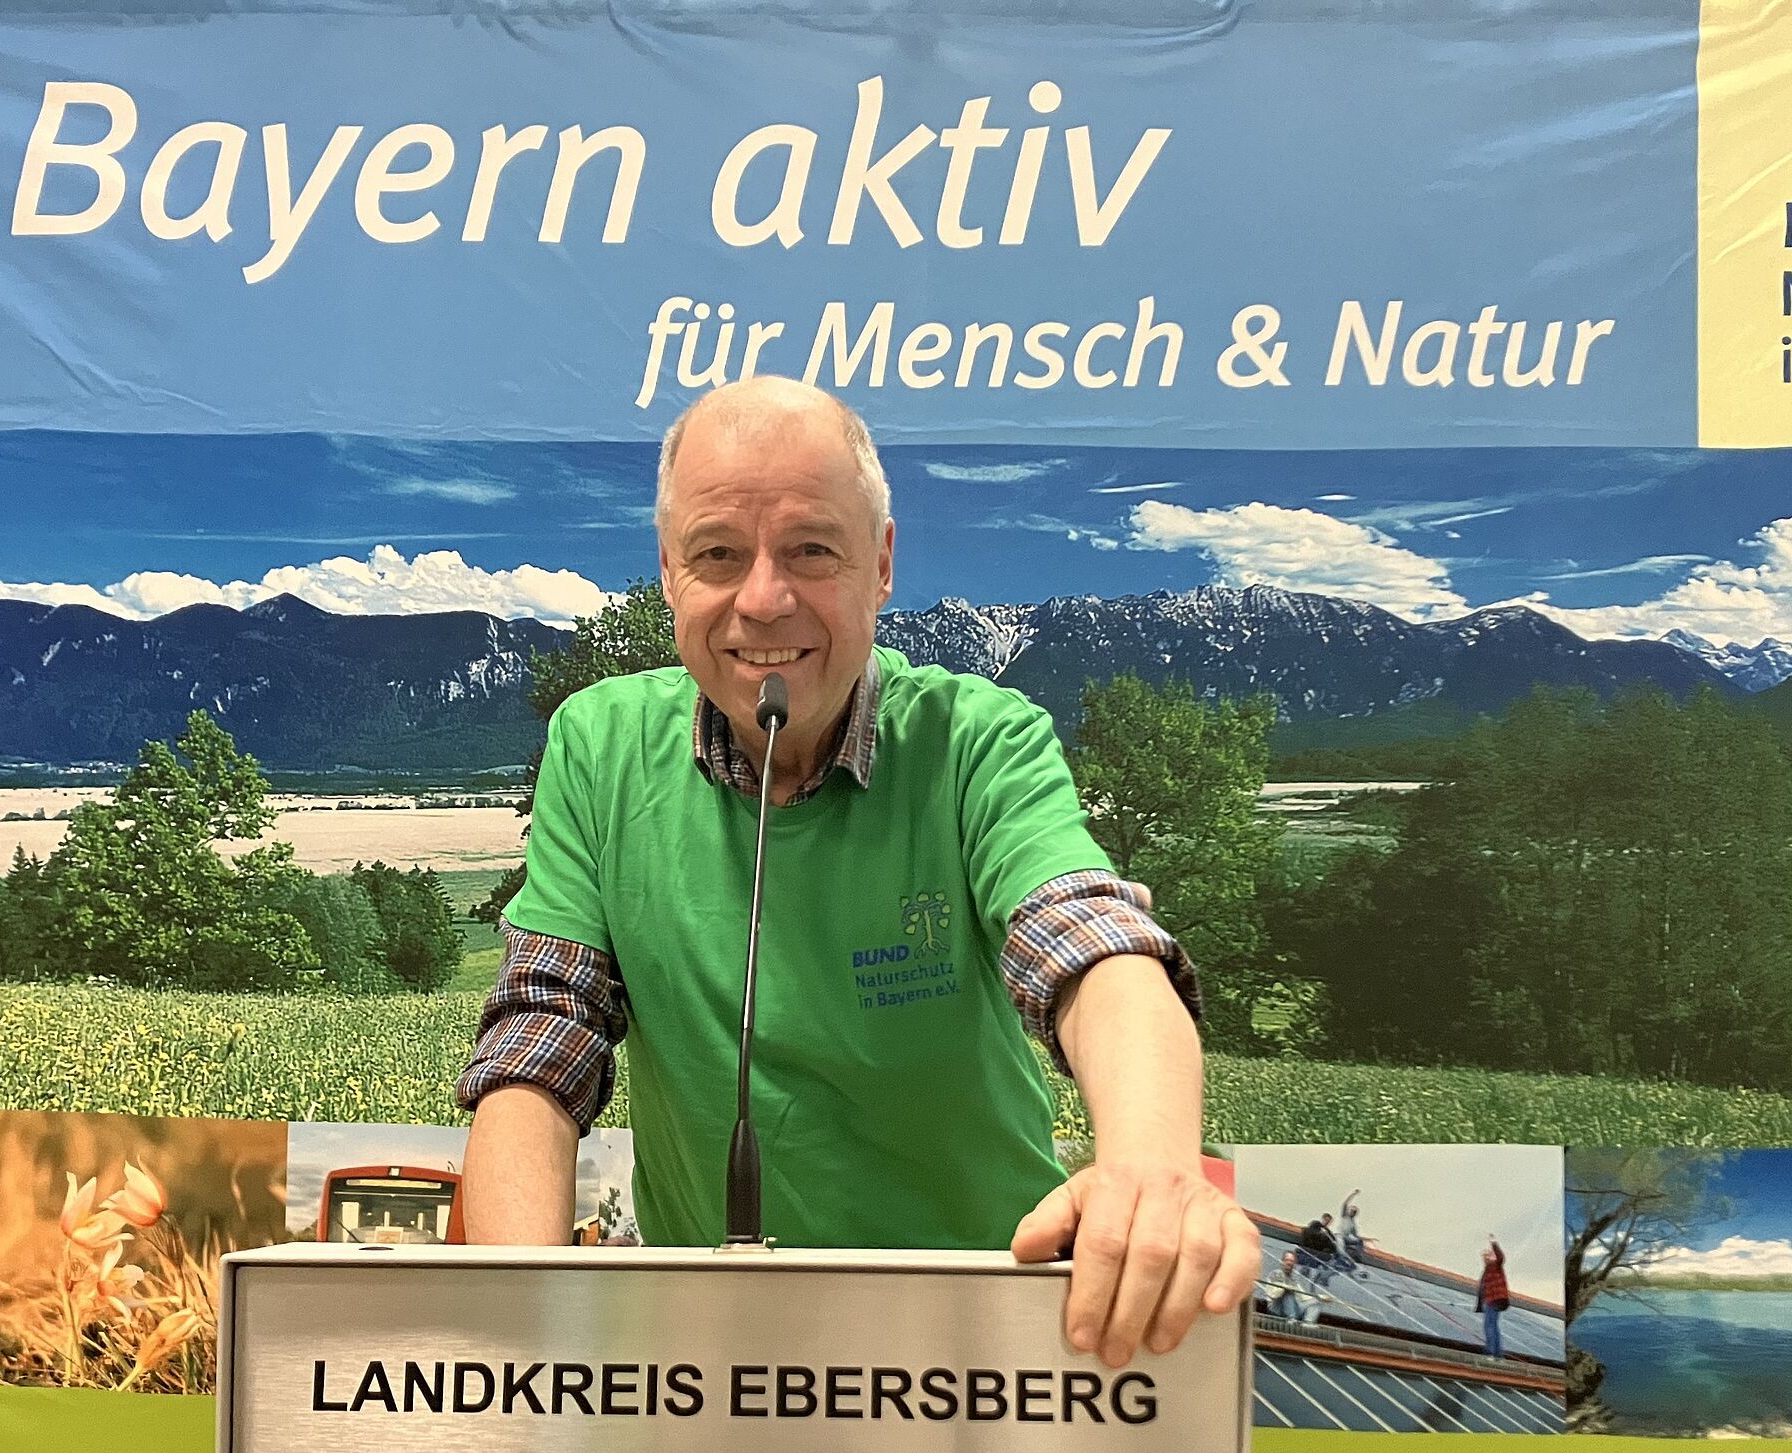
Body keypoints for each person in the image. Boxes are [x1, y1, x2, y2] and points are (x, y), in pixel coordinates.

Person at [455, 377, 1257, 1367]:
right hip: (707, 1341)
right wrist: (513, 1332)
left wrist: (1150, 1169)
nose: (763, 599)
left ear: (880, 565)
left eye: (811, 550)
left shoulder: (979, 739)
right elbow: (542, 1036)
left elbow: (1089, 941)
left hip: (987, 1333)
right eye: (718, 554)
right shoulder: (596, 743)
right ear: (668, 573)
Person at [1475, 1235, 1510, 1359]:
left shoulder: (1496, 1266)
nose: (1485, 1258)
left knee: (1489, 1325)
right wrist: (1480, 1306)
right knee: (1493, 1325)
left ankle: (1491, 1352)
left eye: (1488, 1256)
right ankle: (1497, 1353)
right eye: (1484, 1257)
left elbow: (1500, 1257)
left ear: (1493, 1257)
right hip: (1490, 1301)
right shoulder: (1486, 1271)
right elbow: (1482, 1290)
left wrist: (1493, 1243)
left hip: (1495, 1300)